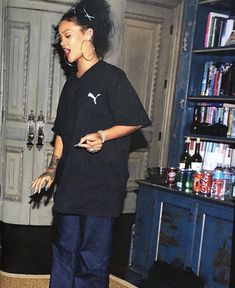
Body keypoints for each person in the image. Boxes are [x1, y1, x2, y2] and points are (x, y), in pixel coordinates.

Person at [31, 0, 151, 287]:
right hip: (70, 184)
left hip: (102, 187)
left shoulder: (112, 78)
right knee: (63, 252)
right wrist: (51, 170)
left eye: (68, 35)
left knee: (91, 261)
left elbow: (135, 119)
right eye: (60, 37)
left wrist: (104, 135)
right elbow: (62, 132)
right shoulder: (71, 83)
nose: (62, 43)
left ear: (88, 34)